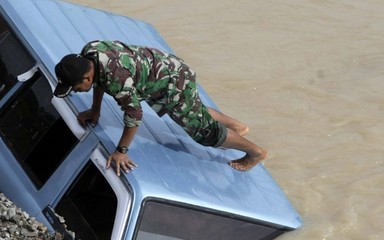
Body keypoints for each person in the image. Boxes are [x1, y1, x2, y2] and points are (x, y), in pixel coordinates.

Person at [53, 40, 267, 175]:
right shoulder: (90, 52)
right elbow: (99, 82)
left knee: (203, 133)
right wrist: (95, 110)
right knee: (194, 111)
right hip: (165, 68)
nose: (77, 90)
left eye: (75, 87)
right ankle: (237, 127)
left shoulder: (115, 78)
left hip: (171, 82)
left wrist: (121, 151)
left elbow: (134, 115)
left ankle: (255, 152)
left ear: (86, 77)